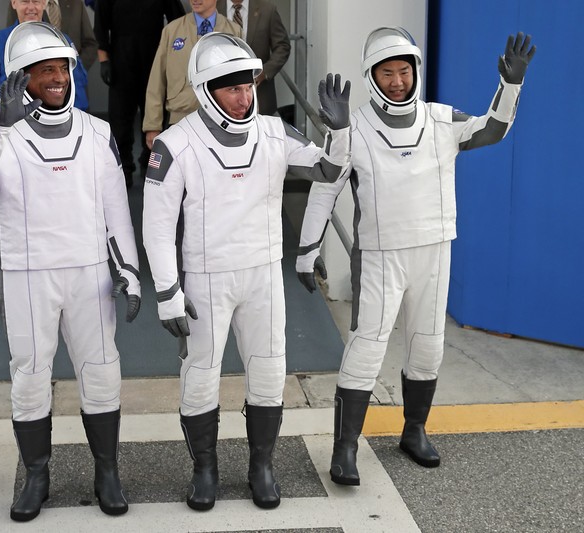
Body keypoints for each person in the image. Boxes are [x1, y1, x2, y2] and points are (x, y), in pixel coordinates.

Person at [296, 28, 535, 486]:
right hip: (380, 255)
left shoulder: (440, 119)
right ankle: (345, 447)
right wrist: (308, 250)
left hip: (434, 249)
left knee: (427, 345)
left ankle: (414, 430)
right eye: (386, 73)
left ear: (415, 72)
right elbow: (325, 187)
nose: (397, 81)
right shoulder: (352, 128)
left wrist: (511, 84)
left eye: (404, 71)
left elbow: (493, 128)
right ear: (371, 77)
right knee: (367, 348)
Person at [142, 32, 351, 511]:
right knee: (200, 374)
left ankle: (262, 466)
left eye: (248, 86)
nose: (243, 98)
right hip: (205, 277)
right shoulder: (175, 144)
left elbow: (327, 171)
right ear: (206, 90)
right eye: (231, 89)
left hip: (263, 274)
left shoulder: (275, 132)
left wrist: (337, 133)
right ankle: (205, 469)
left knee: (270, 370)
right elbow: (156, 226)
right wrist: (168, 292)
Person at [0, 22, 141, 522]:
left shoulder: (97, 132)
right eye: (45, 70)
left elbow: (116, 211)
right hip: (28, 276)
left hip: (89, 274)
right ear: (20, 78)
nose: (57, 78)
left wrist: (129, 271)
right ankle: (37, 475)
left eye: (63, 69)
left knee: (102, 372)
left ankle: (107, 472)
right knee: (30, 378)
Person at [94, 0, 185, 187]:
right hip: (121, 61)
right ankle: (123, 169)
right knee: (120, 122)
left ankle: (150, 165)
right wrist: (104, 61)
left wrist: (174, 55)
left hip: (154, 60)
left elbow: (179, 20)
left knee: (155, 118)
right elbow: (101, 24)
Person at [143, 0, 241, 151]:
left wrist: (250, 122)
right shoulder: (171, 30)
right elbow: (157, 81)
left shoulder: (233, 31)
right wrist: (152, 125)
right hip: (180, 119)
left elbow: (243, 79)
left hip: (221, 119)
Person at [0, 0, 89, 121]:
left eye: (36, 1)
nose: (31, 7)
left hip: (54, 123)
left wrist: (76, 122)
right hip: (11, 124)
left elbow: (77, 84)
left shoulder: (61, 40)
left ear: (44, 3)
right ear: (14, 3)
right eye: (25, 2)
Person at [217, 0, 290, 116]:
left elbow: (282, 46)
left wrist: (264, 72)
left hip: (260, 95)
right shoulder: (213, 8)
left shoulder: (267, 9)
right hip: (221, 96)